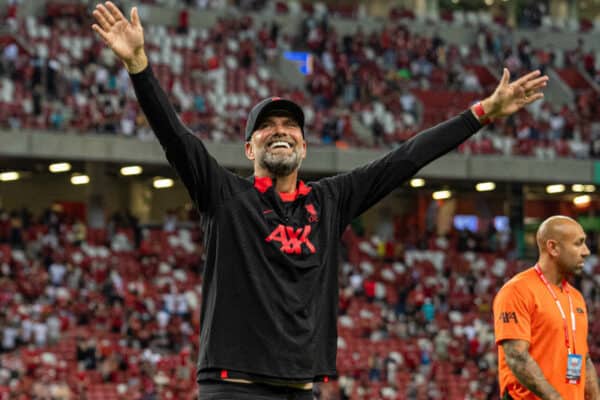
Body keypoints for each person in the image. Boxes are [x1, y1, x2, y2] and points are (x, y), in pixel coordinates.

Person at [91, 2, 548, 399]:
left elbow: (407, 157)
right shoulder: (226, 195)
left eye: (291, 126)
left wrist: (483, 112)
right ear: (250, 149)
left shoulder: (330, 201)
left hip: (301, 387)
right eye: (267, 126)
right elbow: (175, 137)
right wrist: (140, 67)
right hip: (234, 387)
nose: (281, 131)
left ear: (304, 146)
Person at [493, 216, 600, 400]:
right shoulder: (517, 291)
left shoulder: (575, 297)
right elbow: (517, 357)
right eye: (578, 244)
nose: (586, 251)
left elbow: (584, 359)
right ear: (553, 247)